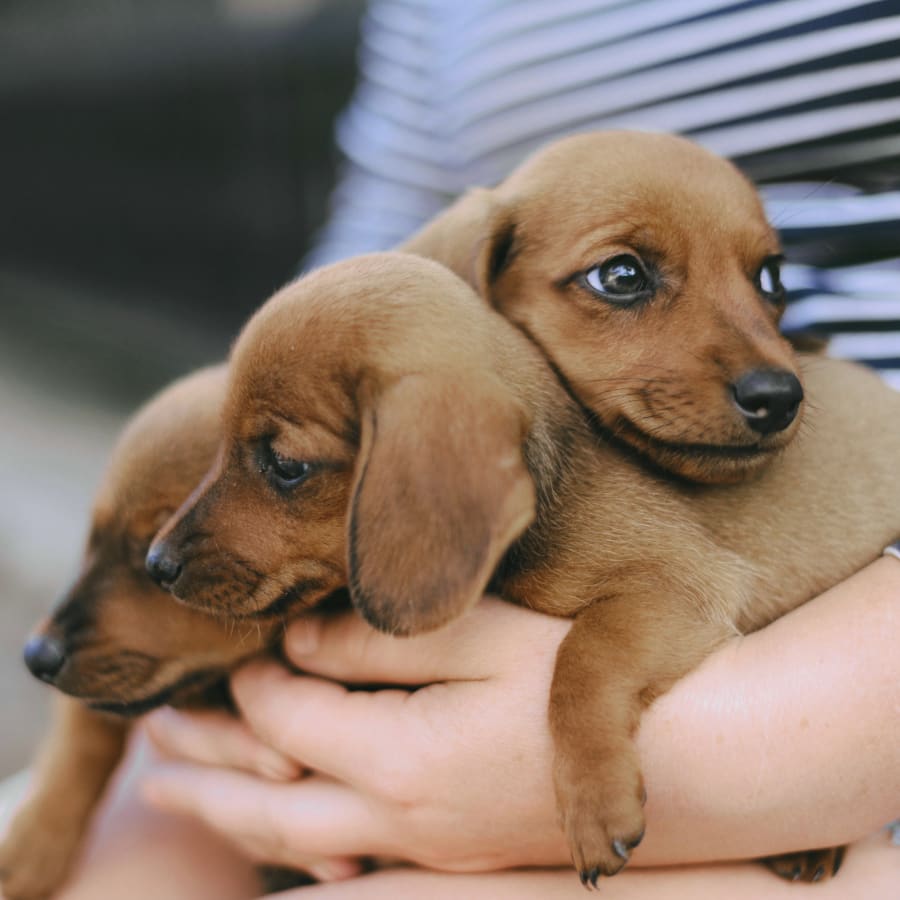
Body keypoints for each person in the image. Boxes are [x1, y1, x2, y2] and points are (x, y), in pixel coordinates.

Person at [3, 1, 899, 897]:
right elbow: (380, 250)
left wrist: (781, 760)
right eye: (623, 277)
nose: (764, 369)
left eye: (764, 278)